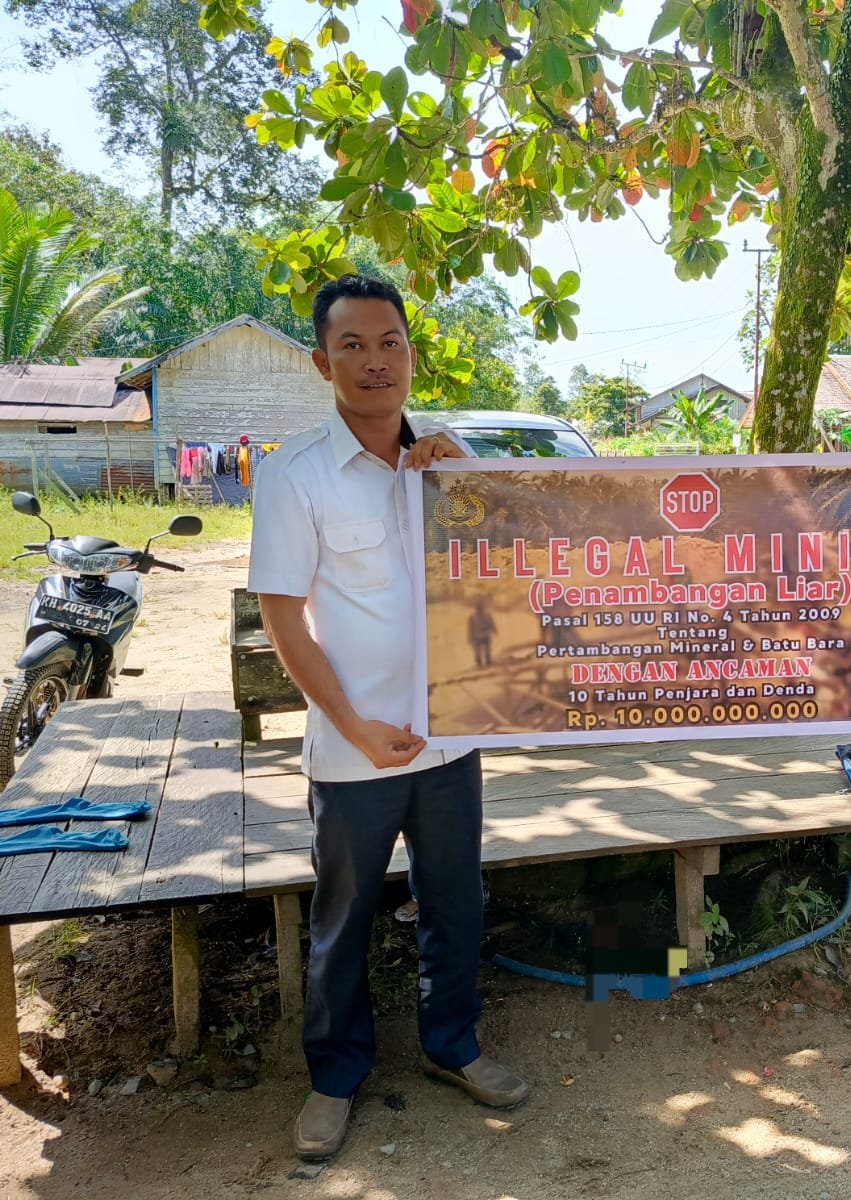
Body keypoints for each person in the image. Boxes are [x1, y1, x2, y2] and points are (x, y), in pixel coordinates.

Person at [248, 273, 529, 1164]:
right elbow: (284, 619)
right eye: (353, 346)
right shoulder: (296, 475)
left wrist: (463, 480)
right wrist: (354, 726)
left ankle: (455, 1044)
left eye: (390, 343)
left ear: (411, 352)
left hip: (451, 739)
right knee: (343, 919)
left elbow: (513, 571)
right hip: (354, 751)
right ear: (321, 361)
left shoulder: (447, 466)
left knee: (456, 903)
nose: (376, 361)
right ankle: (335, 1076)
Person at [467, 599, 497, 668]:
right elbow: (492, 624)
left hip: (480, 636)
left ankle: (483, 662)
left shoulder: (473, 617)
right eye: (479, 607)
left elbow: (470, 629)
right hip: (482, 636)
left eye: (480, 607)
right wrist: (494, 630)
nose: (480, 609)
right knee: (482, 650)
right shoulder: (485, 615)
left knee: (482, 650)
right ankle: (483, 662)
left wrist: (470, 638)